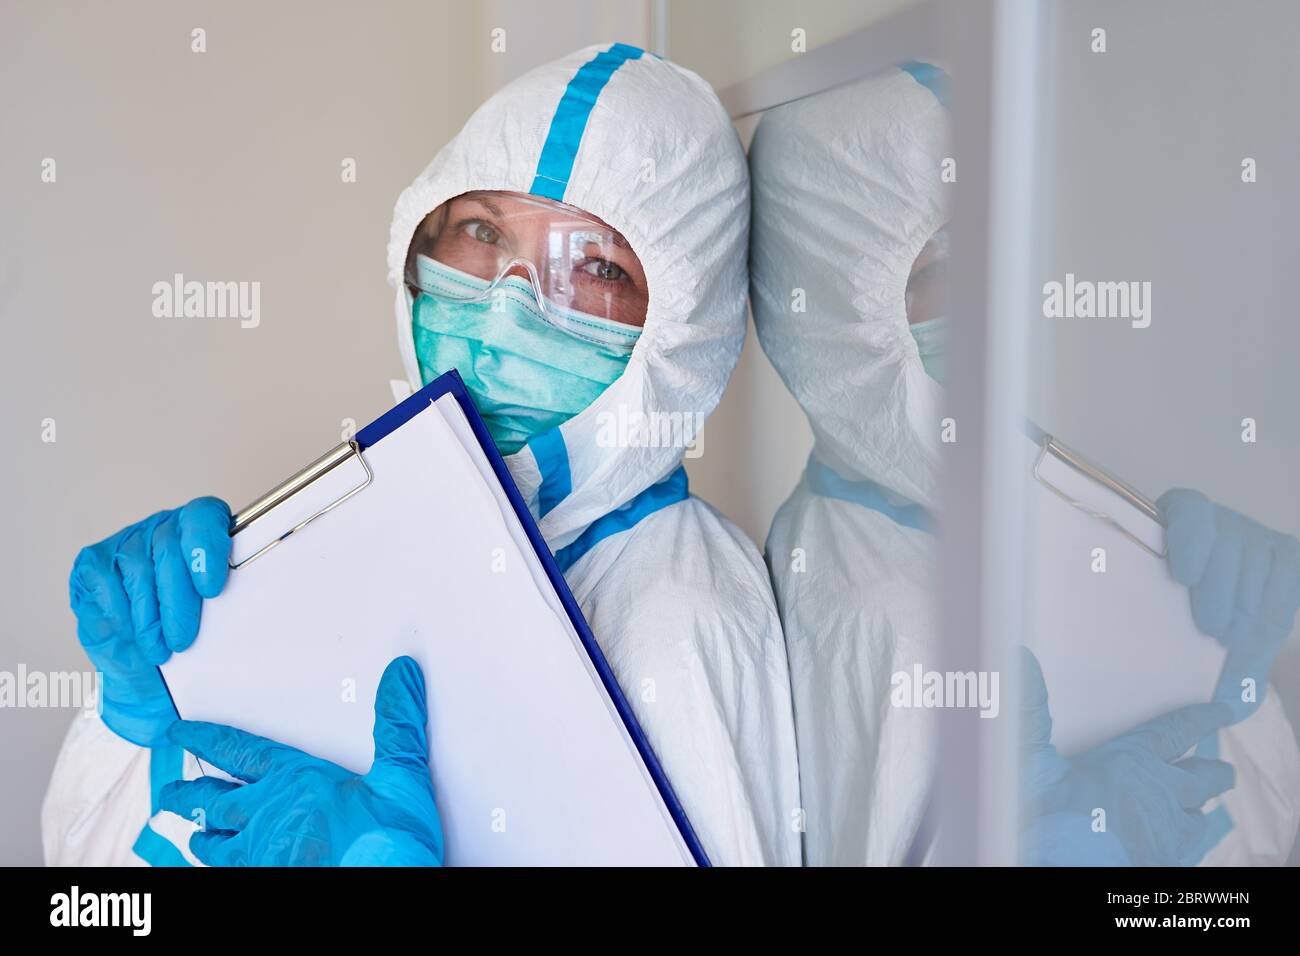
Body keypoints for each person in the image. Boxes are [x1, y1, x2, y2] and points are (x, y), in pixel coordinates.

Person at [42, 43, 800, 867]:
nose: (511, 306)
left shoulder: (683, 620)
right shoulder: (372, 509)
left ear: (688, 331)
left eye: (595, 266)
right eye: (480, 231)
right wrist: (144, 721)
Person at [748, 63, 1300, 865]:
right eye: (940, 272)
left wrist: (1256, 656)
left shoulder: (1015, 476)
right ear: (836, 313)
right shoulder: (886, 610)